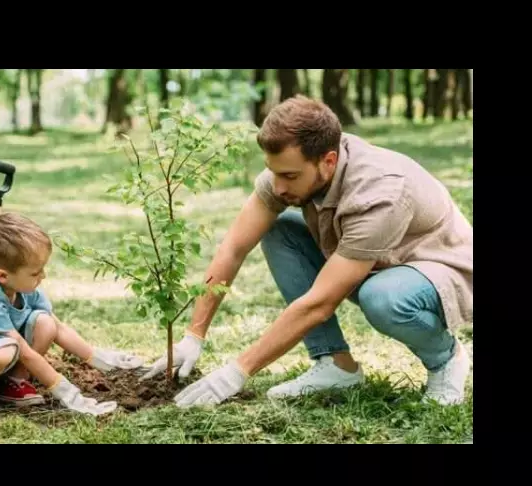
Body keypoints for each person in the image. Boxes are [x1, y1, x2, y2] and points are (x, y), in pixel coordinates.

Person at [141, 95, 473, 408]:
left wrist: (237, 371)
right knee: (278, 227)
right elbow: (233, 247)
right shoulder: (289, 174)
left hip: (437, 269)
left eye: (289, 175)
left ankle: (446, 359)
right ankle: (336, 365)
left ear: (328, 161)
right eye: (274, 171)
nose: (279, 185)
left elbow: (320, 303)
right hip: (374, 261)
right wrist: (193, 335)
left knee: (382, 297)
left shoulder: (380, 193)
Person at [0, 212, 144, 425]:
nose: (43, 276)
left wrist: (99, 359)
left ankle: (12, 384)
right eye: (36, 272)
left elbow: (58, 327)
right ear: (2, 275)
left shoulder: (22, 287)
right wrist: (66, 391)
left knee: (45, 323)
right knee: (7, 348)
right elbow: (23, 352)